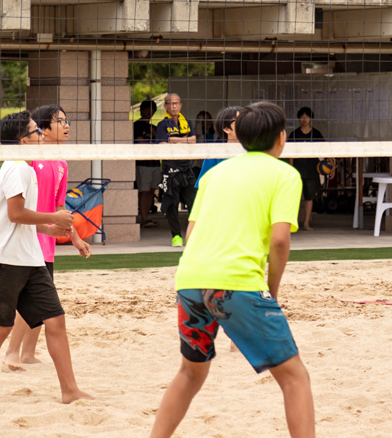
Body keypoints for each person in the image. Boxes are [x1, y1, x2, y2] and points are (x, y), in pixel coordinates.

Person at [149, 102, 313, 438]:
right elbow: (280, 241)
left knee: (190, 373)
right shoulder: (285, 174)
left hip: (190, 280)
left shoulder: (214, 174)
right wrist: (273, 290)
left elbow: (191, 232)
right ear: (282, 138)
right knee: (295, 377)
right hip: (235, 285)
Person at [0, 111, 92, 404]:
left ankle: (70, 390)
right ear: (24, 140)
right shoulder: (17, 168)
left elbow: (28, 221)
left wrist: (56, 228)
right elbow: (15, 214)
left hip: (30, 258)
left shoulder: (26, 168)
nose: (42, 134)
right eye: (37, 131)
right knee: (1, 326)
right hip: (5, 259)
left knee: (56, 320)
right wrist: (54, 216)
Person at [2, 104, 91, 369]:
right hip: (29, 240)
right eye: (60, 121)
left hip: (47, 240)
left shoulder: (61, 164)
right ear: (41, 129)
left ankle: (28, 353)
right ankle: (12, 352)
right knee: (32, 300)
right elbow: (23, 207)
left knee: (44, 301)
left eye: (67, 120)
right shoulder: (31, 163)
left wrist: (74, 237)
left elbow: (59, 208)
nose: (66, 125)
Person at [156, 93, 196, 248]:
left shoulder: (188, 123)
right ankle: (177, 236)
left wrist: (174, 140)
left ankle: (193, 236)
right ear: (166, 106)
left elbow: (193, 141)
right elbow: (163, 145)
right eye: (170, 104)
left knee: (194, 203)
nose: (174, 106)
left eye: (176, 103)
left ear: (180, 105)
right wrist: (184, 140)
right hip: (170, 169)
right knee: (172, 205)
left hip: (187, 168)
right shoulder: (162, 125)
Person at [287, 107, 324, 231]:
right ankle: (293, 222)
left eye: (307, 117)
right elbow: (290, 154)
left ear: (310, 118)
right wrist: (291, 169)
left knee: (309, 197)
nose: (304, 119)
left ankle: (306, 223)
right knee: (294, 197)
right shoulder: (294, 134)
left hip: (312, 170)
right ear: (299, 118)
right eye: (302, 117)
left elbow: (324, 148)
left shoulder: (316, 134)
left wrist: (331, 162)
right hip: (297, 170)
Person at [196, 106, 242, 187]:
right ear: (227, 129)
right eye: (240, 121)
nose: (245, 124)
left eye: (247, 120)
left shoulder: (256, 152)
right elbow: (203, 186)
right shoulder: (215, 155)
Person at [134, 100, 161, 229]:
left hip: (155, 163)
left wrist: (154, 136)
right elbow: (139, 142)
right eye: (147, 109)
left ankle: (147, 217)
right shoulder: (137, 125)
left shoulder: (154, 127)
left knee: (151, 190)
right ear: (141, 110)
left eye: (152, 110)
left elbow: (161, 143)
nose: (149, 112)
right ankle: (143, 218)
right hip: (142, 163)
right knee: (144, 191)